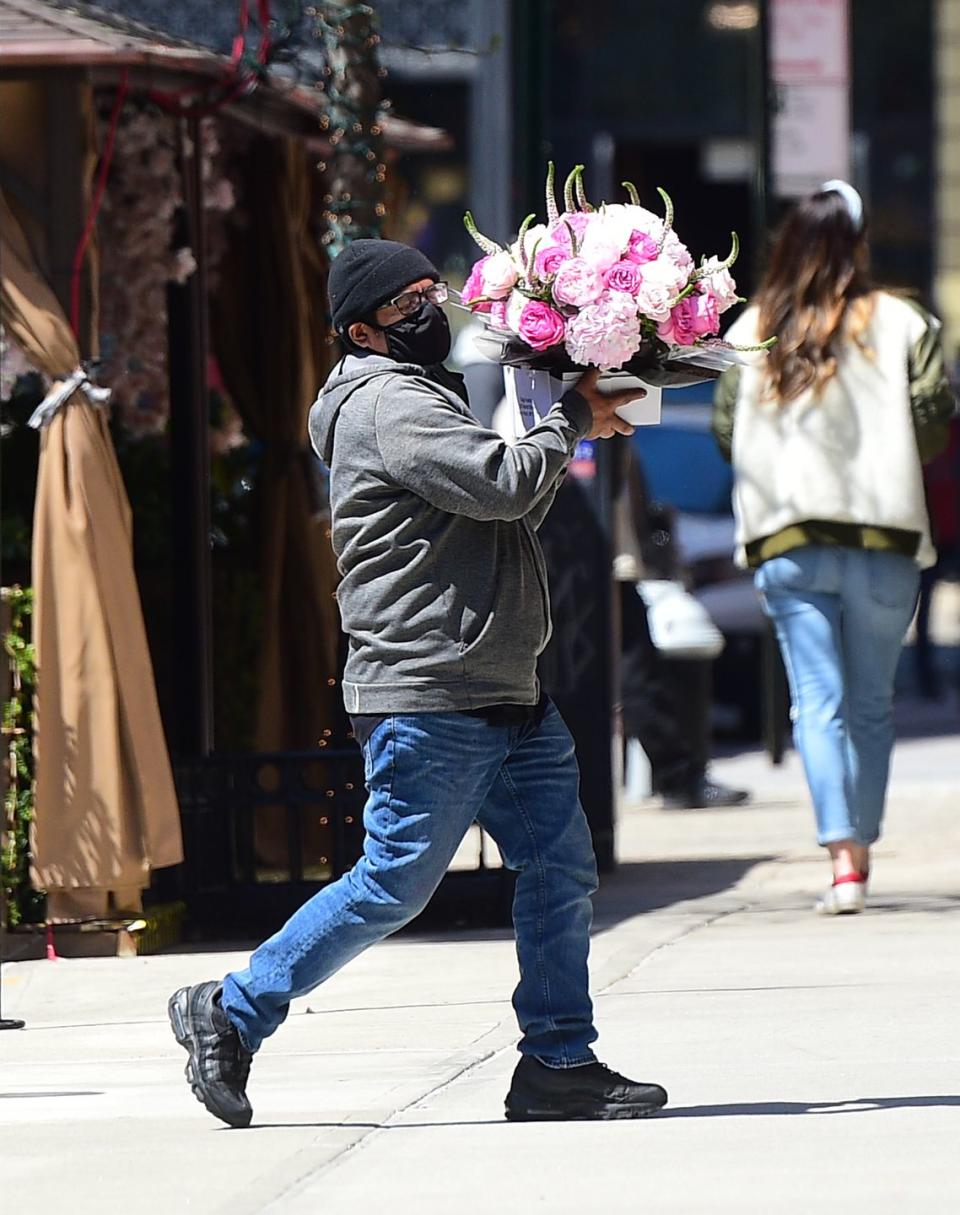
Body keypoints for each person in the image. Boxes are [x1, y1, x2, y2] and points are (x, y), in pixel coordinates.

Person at [168, 238, 669, 1127]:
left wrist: (567, 428)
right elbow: (503, 482)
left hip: (504, 684)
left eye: (432, 292)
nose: (430, 312)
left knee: (559, 868)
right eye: (406, 307)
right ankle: (231, 1007)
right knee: (394, 880)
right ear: (360, 331)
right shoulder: (387, 401)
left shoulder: (424, 394)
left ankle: (558, 1059)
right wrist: (570, 421)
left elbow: (504, 510)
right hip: (428, 688)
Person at [712, 181, 954, 915]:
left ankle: (841, 859)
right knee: (872, 704)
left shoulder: (752, 327)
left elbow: (728, 430)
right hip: (883, 531)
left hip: (787, 536)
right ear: (860, 243)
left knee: (817, 703)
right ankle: (863, 849)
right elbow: (934, 415)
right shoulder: (904, 321)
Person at [611, 436, 750, 809]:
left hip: (608, 564)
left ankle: (679, 775)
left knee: (639, 675)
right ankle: (679, 776)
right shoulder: (551, 409)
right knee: (637, 677)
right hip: (596, 566)